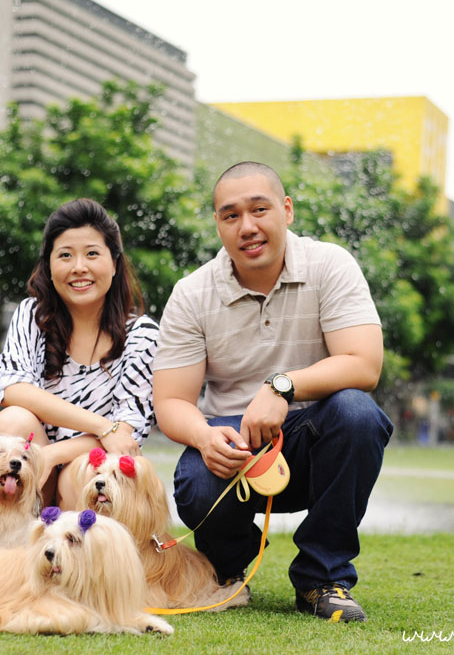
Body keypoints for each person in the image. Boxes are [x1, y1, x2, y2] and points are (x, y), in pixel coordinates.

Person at [153, 162, 393, 623]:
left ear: (287, 210)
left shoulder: (330, 265)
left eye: (259, 209)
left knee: (358, 414)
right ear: (218, 223)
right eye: (231, 215)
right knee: (196, 479)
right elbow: (171, 402)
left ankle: (322, 578)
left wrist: (282, 386)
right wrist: (205, 436)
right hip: (232, 447)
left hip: (312, 440)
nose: (247, 226)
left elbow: (365, 364)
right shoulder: (191, 293)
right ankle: (226, 568)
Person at [0, 198, 158, 507]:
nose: (79, 267)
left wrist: (53, 455)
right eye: (65, 255)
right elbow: (12, 388)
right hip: (32, 467)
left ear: (114, 263)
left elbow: (125, 436)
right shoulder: (33, 315)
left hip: (92, 477)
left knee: (86, 469)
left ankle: (79, 538)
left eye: (92, 254)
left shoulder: (142, 335)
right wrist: (102, 426)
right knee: (12, 422)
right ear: (49, 266)